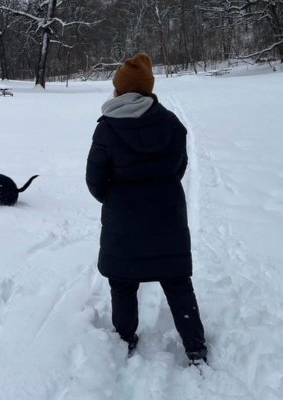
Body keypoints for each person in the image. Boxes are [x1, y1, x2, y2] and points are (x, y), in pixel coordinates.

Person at [85, 54, 207, 365]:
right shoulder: (171, 123)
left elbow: (95, 180)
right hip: (168, 217)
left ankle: (124, 340)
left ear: (120, 89)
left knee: (123, 284)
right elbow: (179, 167)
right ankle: (195, 347)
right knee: (178, 282)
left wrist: (117, 200)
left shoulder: (108, 129)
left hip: (124, 222)